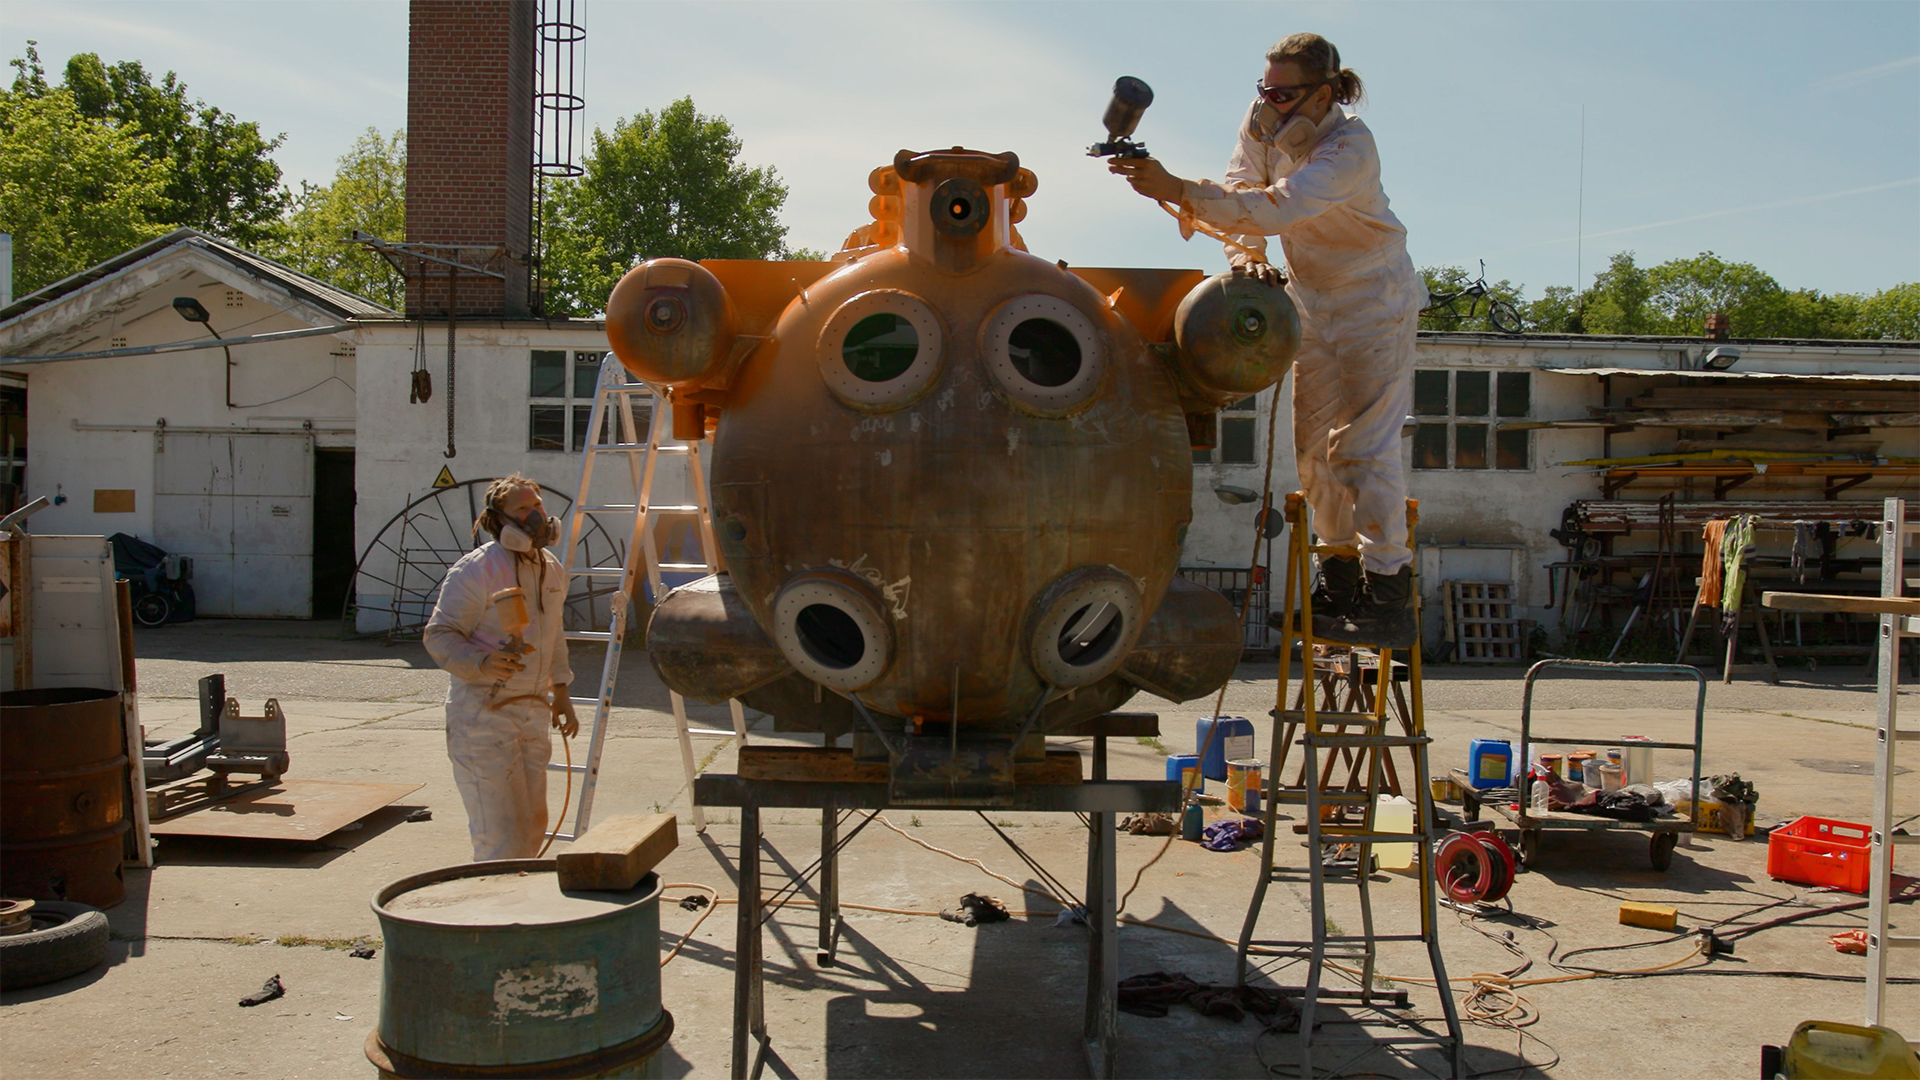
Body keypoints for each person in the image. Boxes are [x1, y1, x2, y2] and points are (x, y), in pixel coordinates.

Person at [1110, 33, 1424, 646]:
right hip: (1313, 296)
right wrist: (1247, 256)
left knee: (1363, 448)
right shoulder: (1262, 125)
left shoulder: (1349, 147)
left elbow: (1280, 206)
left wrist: (1175, 189)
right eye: (1264, 89)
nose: (1269, 103)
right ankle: (1337, 588)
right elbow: (1242, 186)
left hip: (1372, 295)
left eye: (1283, 93)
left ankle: (1389, 594)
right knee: (1314, 454)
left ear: (1322, 94)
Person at [424, 474, 579, 860]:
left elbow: (553, 633)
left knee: (532, 827)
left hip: (533, 710)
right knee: (499, 836)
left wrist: (561, 691)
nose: (536, 515)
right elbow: (439, 635)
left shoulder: (551, 568)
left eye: (537, 505)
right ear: (501, 521)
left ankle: (518, 914)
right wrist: (483, 663)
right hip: (482, 715)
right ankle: (489, 914)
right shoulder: (476, 570)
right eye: (523, 509)